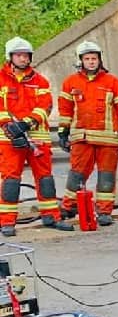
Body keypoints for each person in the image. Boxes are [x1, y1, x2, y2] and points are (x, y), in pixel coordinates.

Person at [58, 40, 118, 226]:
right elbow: (65, 109)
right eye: (87, 58)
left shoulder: (112, 82)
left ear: (99, 60)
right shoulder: (70, 83)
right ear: (80, 60)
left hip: (107, 139)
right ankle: (69, 206)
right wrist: (63, 132)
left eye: (94, 58)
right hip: (81, 138)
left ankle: (104, 211)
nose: (91, 62)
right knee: (77, 174)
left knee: (106, 176)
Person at [0, 37, 70, 235]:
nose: (23, 58)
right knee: (10, 180)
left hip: (37, 138)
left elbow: (45, 106)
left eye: (25, 55)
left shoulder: (40, 81)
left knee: (45, 179)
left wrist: (25, 123)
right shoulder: (0, 79)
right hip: (9, 139)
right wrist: (9, 126)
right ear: (10, 57)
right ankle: (6, 222)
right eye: (19, 55)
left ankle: (51, 217)